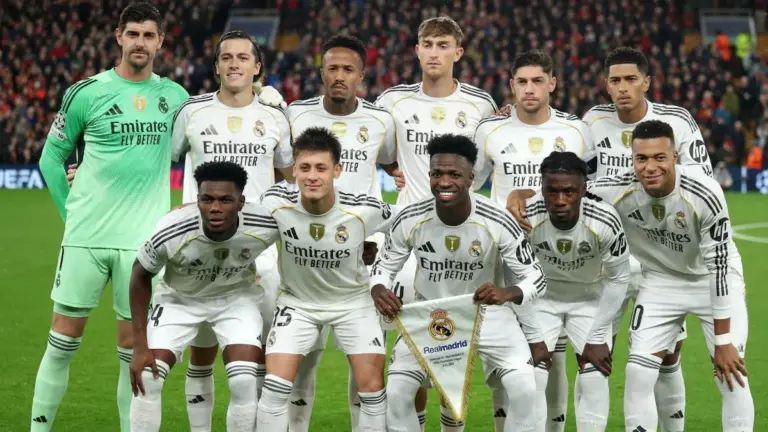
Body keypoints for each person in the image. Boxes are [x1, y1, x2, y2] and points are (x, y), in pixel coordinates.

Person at [506, 120, 753, 432]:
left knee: (730, 373)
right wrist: (519, 193)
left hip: (713, 279)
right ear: (632, 159)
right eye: (641, 158)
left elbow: (719, 267)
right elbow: (566, 189)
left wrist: (723, 341)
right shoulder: (618, 188)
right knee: (638, 373)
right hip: (661, 281)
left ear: (675, 157)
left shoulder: (704, 192)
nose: (650, 167)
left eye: (659, 157)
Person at [33, 3, 189, 431]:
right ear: (119, 36)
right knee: (62, 342)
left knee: (133, 351)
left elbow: (198, 151)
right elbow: (51, 160)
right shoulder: (87, 92)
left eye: (149, 35)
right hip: (86, 238)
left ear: (160, 41)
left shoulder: (176, 98)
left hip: (143, 245)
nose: (140, 42)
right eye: (133, 33)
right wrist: (72, 214)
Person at [580, 47, 732, 431]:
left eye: (631, 79)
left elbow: (701, 187)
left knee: (666, 356)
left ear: (646, 82)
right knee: (594, 353)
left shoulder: (676, 121)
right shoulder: (592, 121)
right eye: (615, 80)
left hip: (662, 259)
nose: (623, 87)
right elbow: (579, 184)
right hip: (610, 259)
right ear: (606, 84)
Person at [369, 133, 547, 432]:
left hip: (488, 314)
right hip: (430, 314)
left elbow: (536, 277)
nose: (444, 182)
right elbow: (383, 267)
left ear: (471, 178)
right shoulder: (410, 218)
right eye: (437, 174)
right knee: (397, 394)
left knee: (525, 389)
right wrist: (378, 288)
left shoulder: (498, 219)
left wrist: (507, 293)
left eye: (454, 174)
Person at [374, 16, 498, 430]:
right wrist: (396, 171)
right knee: (408, 342)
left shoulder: (480, 105)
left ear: (458, 52)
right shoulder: (393, 101)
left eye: (443, 45)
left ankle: (451, 422)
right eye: (427, 44)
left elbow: (480, 170)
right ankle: (417, 421)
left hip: (461, 240)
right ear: (416, 50)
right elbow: (382, 152)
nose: (434, 52)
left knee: (452, 339)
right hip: (408, 238)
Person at [169, 29, 293, 431]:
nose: (234, 64)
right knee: (202, 353)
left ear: (257, 68)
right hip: (200, 246)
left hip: (261, 250)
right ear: (217, 66)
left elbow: (288, 174)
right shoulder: (192, 112)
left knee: (259, 354)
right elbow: (159, 161)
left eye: (243, 57)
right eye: (227, 57)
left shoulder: (274, 116)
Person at [473, 50, 595, 430]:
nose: (529, 89)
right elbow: (471, 189)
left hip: (558, 257)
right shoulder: (490, 131)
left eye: (537, 81)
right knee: (507, 356)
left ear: (552, 83)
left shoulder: (576, 131)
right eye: (522, 82)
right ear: (511, 85)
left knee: (552, 354)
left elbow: (590, 192)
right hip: (506, 259)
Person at [283, 34, 400, 432]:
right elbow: (283, 172)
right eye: (332, 68)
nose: (339, 76)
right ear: (321, 73)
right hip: (307, 253)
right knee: (304, 358)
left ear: (361, 76)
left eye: (348, 69)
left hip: (363, 253)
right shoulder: (296, 114)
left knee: (365, 360)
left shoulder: (380, 121)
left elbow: (390, 162)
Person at [255, 127, 403, 432]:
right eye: (305, 167)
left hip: (353, 304)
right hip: (297, 304)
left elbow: (409, 222)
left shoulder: (363, 208)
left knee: (372, 391)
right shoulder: (274, 201)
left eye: (321, 168)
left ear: (337, 170)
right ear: (294, 170)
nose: (312, 176)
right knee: (274, 389)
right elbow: (238, 216)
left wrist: (381, 266)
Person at [128, 161, 280, 431]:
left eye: (225, 200)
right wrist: (140, 344)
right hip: (179, 299)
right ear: (196, 200)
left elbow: (302, 228)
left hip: (236, 298)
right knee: (148, 377)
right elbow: (139, 274)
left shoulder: (265, 223)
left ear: (241, 202)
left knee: (243, 379)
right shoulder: (172, 229)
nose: (215, 208)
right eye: (207, 199)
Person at [522, 151, 630, 431]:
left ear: (583, 189)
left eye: (569, 192)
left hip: (589, 298)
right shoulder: (525, 216)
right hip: (541, 299)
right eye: (552, 191)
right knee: (531, 375)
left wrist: (597, 337)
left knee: (595, 374)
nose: (560, 200)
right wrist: (532, 337)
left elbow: (620, 278)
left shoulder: (604, 219)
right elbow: (514, 275)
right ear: (542, 188)